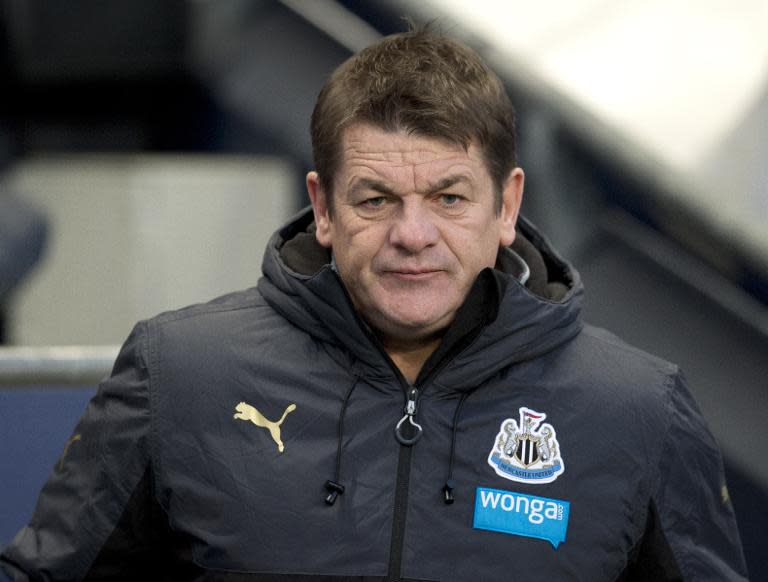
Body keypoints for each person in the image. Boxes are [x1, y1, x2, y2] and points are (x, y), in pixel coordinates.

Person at [0, 29, 747, 581]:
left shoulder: (637, 410)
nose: (411, 235)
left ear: (507, 206)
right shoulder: (179, 375)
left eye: (449, 198)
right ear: (323, 208)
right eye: (376, 199)